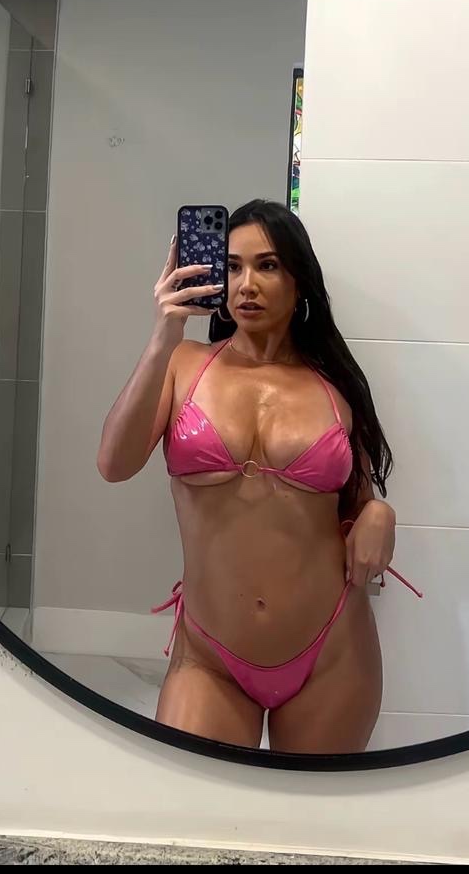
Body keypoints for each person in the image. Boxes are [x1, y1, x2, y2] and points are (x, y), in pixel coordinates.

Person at [97, 199, 405, 753]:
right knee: (192, 802)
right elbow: (114, 464)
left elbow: (356, 501)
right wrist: (165, 332)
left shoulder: (334, 385)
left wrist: (380, 513)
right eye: (233, 266)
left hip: (332, 649)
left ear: (299, 280)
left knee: (310, 811)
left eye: (267, 266)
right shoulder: (184, 363)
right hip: (209, 655)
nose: (247, 285)